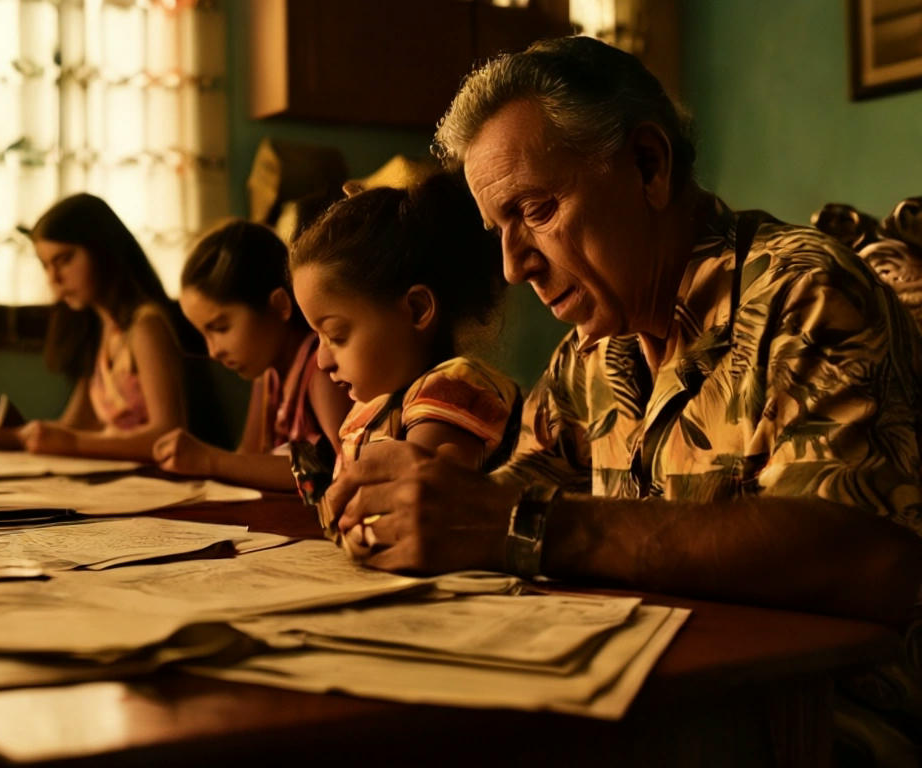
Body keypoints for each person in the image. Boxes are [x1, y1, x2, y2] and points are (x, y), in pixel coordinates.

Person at [325, 36, 922, 628]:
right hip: (653, 687)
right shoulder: (592, 354)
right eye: (497, 230)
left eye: (534, 212)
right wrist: (413, 512)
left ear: (648, 165)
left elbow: (862, 554)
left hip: (815, 711)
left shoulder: (804, 293)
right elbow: (505, 501)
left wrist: (530, 526)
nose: (513, 266)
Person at [289, 172, 521, 512]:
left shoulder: (451, 390)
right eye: (319, 338)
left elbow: (415, 510)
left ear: (416, 309)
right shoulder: (375, 408)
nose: (322, 360)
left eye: (337, 336)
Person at [0, 193, 185, 461]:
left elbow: (167, 435)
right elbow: (74, 427)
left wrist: (72, 443)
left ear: (102, 249)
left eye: (64, 260)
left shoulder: (145, 327)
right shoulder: (100, 329)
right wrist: (9, 437)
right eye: (46, 265)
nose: (54, 278)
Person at [153, 219, 351, 491]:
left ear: (279, 305)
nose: (213, 351)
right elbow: (249, 459)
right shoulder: (268, 376)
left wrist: (210, 460)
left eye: (221, 328)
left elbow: (335, 469)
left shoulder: (320, 370)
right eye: (204, 335)